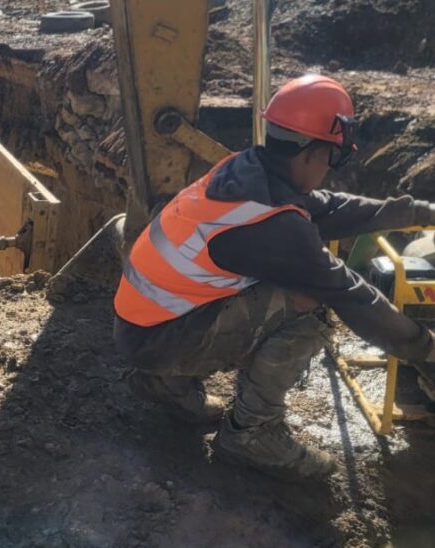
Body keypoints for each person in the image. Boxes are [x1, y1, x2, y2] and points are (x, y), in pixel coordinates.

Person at [114, 74, 435, 477]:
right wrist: (425, 348)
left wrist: (415, 213)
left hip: (144, 325)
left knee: (279, 289)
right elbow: (350, 293)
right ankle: (252, 433)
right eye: (332, 156)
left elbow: (326, 208)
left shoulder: (246, 171)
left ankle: (167, 384)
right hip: (158, 339)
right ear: (312, 153)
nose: (329, 168)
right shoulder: (273, 225)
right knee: (310, 307)